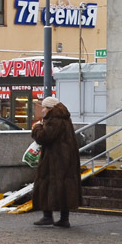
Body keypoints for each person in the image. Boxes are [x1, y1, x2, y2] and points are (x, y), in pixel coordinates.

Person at [31, 95, 82, 228]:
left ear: (49, 108)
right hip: (64, 158)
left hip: (55, 159)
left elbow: (44, 137)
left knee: (48, 184)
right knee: (64, 187)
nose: (42, 111)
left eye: (44, 108)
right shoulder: (64, 119)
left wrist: (37, 128)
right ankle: (63, 219)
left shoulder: (55, 120)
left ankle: (48, 216)